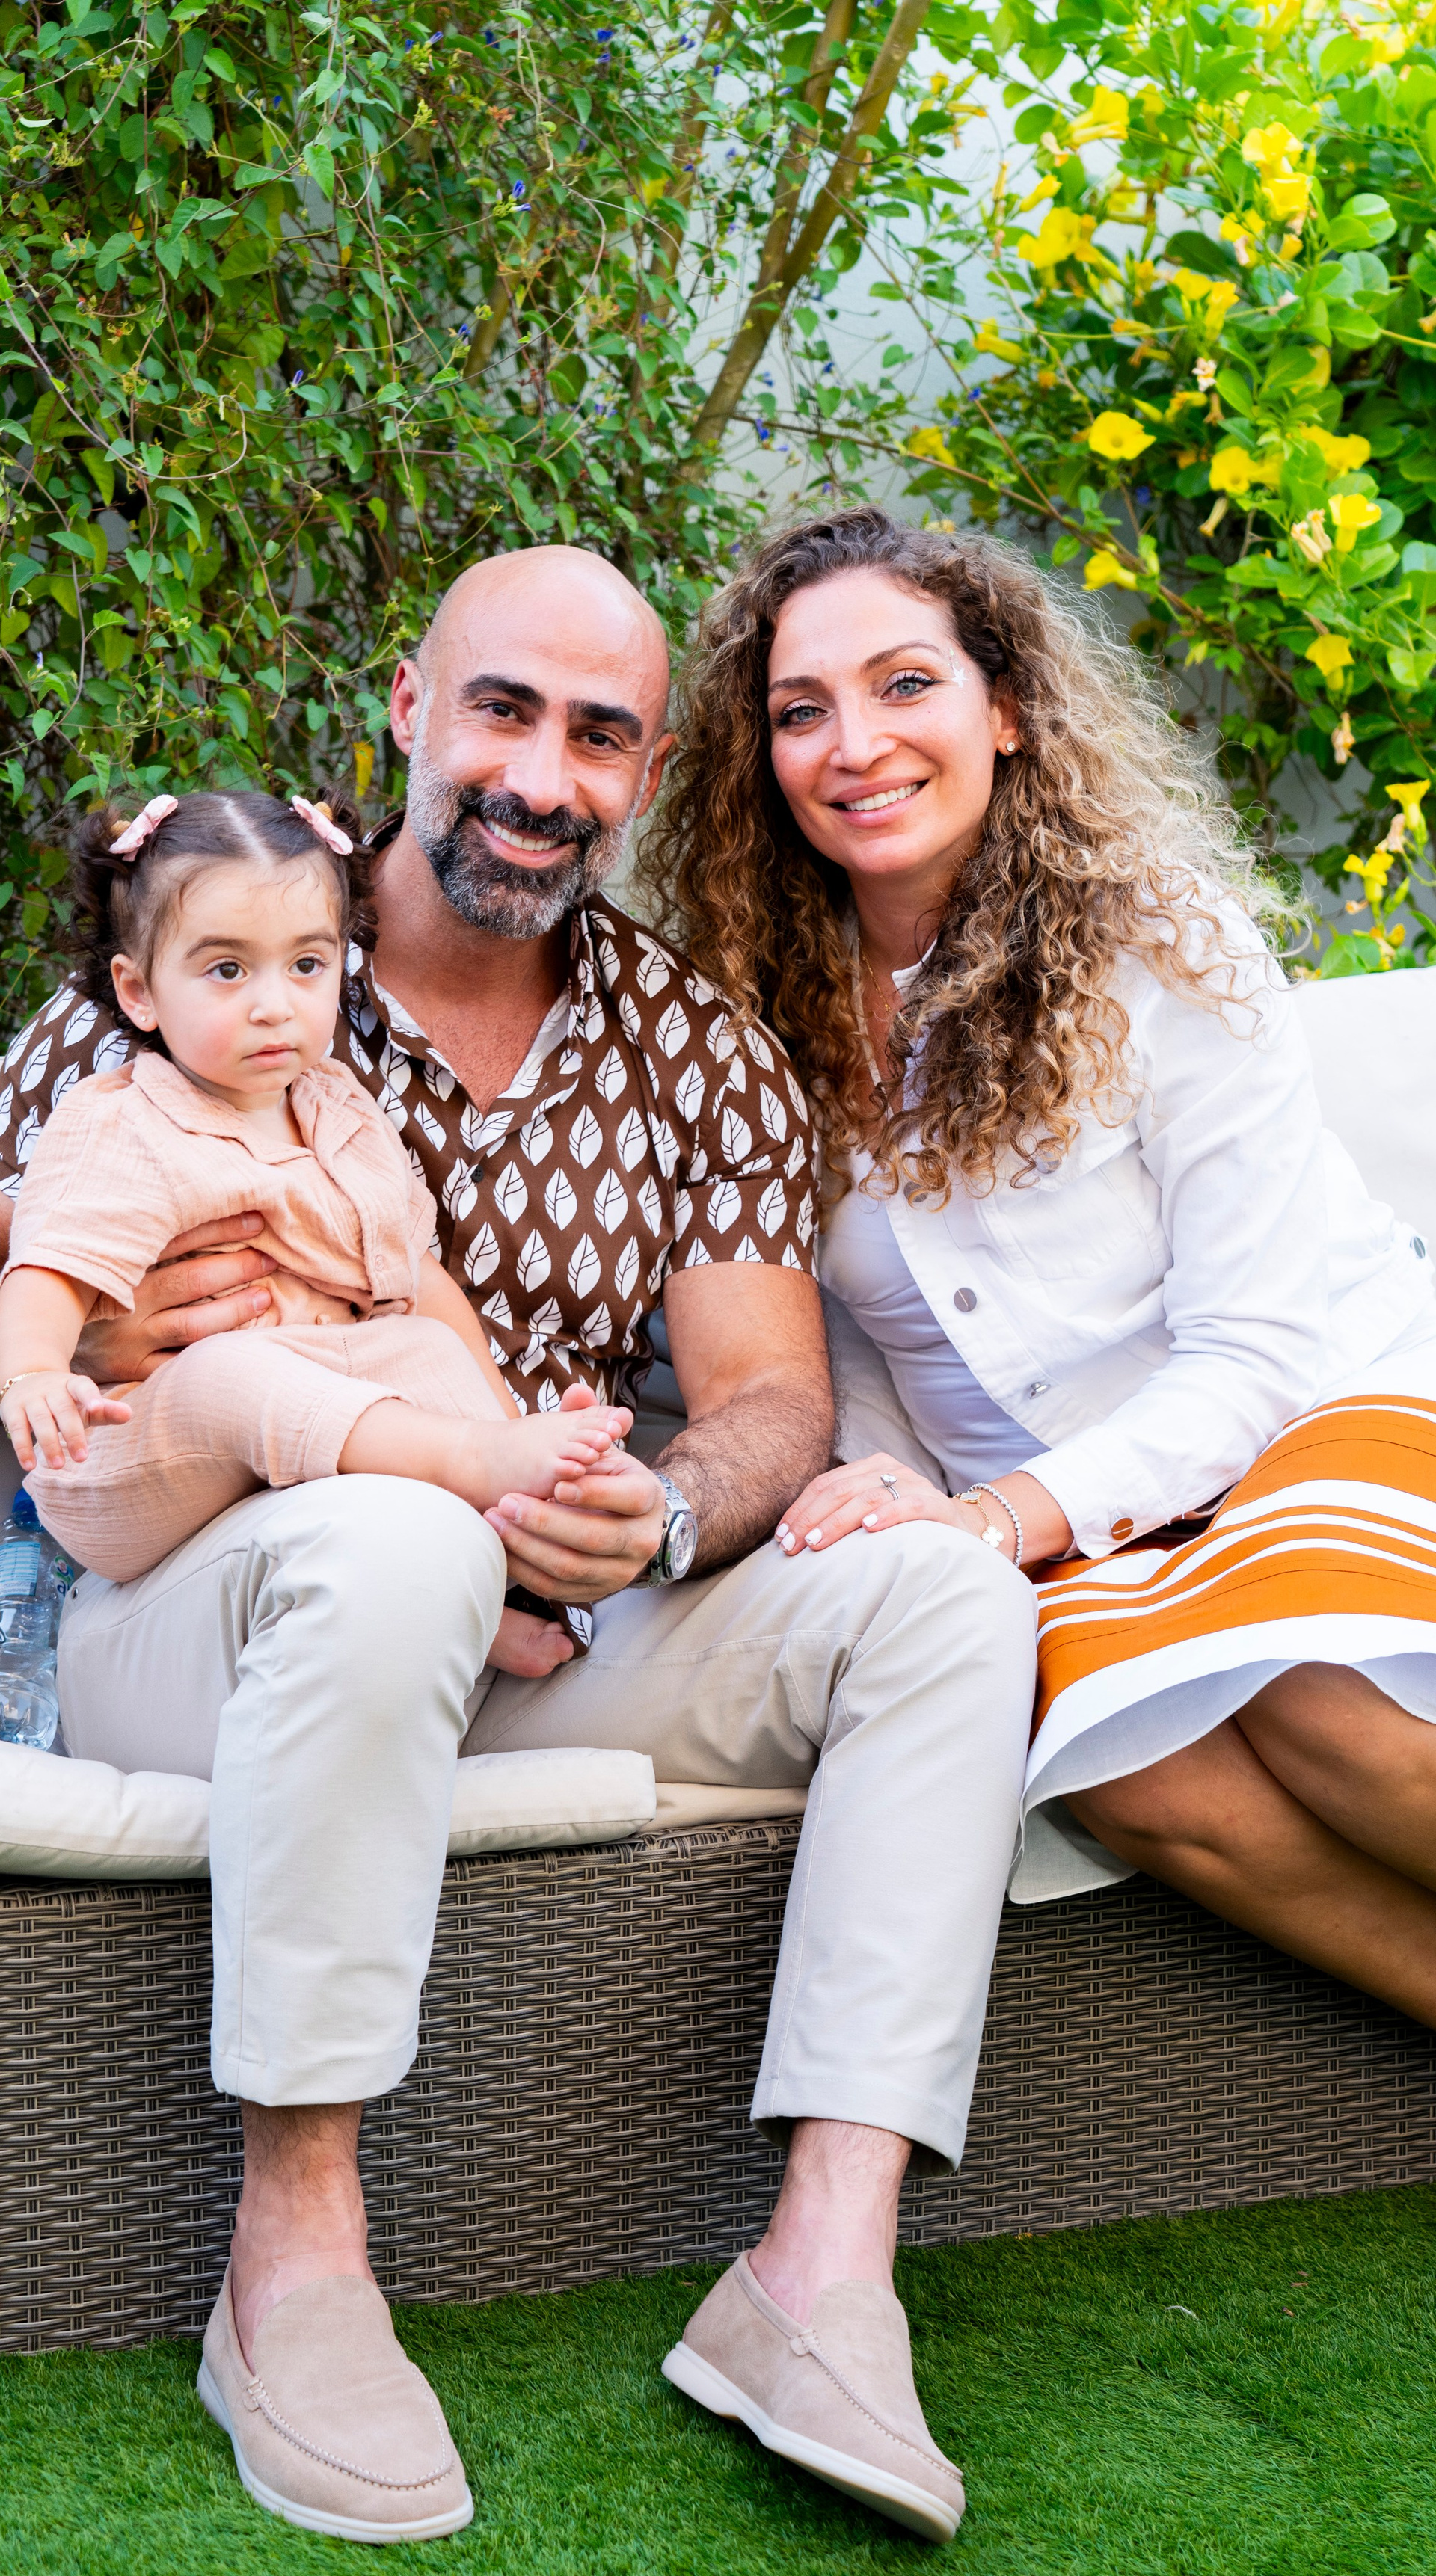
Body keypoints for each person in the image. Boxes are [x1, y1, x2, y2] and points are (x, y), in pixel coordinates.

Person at [0, 545, 1035, 2546]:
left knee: (936, 1591)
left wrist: (652, 1508)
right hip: (197, 1617)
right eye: (502, 710)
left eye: (599, 735)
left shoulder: (692, 1053)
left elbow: (769, 1399)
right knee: (396, 1540)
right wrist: (112, 1346)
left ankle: (818, 2275)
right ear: (411, 705)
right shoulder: (199, 964)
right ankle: (293, 2261)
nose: (542, 777)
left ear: (646, 771)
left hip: (538, 1618)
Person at [642, 501, 1436, 2065]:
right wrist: (887, 1483)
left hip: (1311, 1413)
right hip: (1036, 1511)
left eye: (905, 685)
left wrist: (1002, 1520)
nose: (855, 744)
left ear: (1004, 708)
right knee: (1127, 1764)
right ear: (759, 758)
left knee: (1305, 1682)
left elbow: (1260, 1346)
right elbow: (857, 1342)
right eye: (800, 711)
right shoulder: (754, 1013)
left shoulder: (1164, 947)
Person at [0, 787, 628, 1620]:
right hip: (129, 1455)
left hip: (291, 1429)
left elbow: (417, 1279)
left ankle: (500, 1568)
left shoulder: (340, 1108)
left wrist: (502, 1418)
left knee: (421, 1341)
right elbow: (47, 1267)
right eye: (227, 969)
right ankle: (468, 1464)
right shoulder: (123, 1121)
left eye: (306, 965)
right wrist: (34, 1374)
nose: (275, 1005)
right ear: (139, 990)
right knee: (233, 1370)